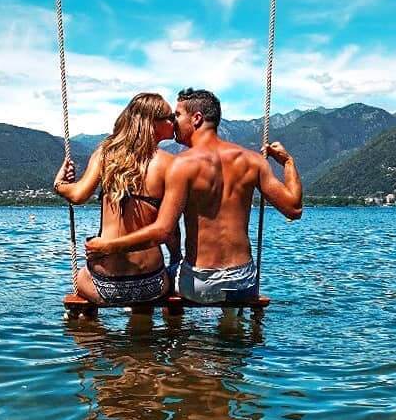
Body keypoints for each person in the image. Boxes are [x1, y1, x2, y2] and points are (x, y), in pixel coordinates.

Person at [85, 87, 302, 304]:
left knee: (161, 280)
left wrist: (108, 246)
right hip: (243, 283)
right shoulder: (254, 161)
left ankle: (174, 333)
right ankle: (230, 327)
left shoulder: (182, 165)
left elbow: (162, 231)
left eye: (177, 115)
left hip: (199, 283)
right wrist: (288, 162)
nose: (174, 122)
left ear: (196, 119)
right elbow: (294, 209)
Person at [53, 92, 181, 307]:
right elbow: (171, 230)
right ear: (152, 123)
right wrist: (176, 260)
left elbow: (77, 195)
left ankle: (97, 339)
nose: (174, 122)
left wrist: (59, 185)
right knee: (146, 308)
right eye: (170, 117)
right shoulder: (171, 164)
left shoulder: (106, 152)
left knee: (80, 284)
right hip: (151, 283)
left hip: (102, 285)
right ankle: (140, 334)